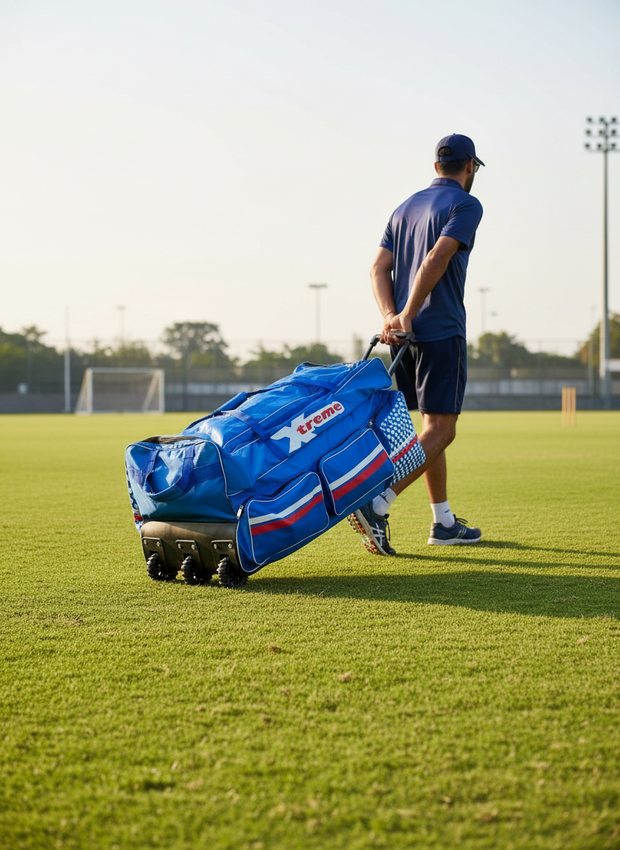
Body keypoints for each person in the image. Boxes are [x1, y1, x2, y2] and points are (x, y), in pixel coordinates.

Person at [350, 133, 485, 556]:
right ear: (470, 167)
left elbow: (377, 266)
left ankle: (443, 522)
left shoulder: (404, 207)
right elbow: (436, 258)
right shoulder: (466, 204)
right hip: (440, 329)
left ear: (435, 167)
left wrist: (392, 316)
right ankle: (378, 501)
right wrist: (408, 313)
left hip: (405, 339)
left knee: (430, 430)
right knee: (443, 429)